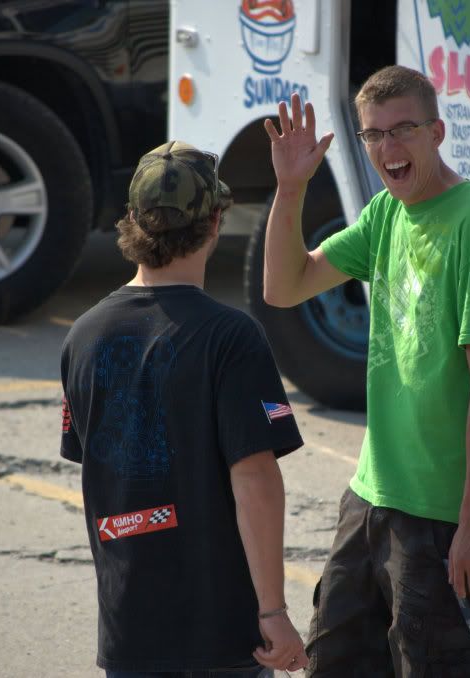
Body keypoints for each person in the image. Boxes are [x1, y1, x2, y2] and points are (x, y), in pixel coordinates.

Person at [262, 65, 470, 676]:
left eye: (403, 130)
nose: (388, 148)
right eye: (373, 135)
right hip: (370, 493)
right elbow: (284, 286)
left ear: (437, 132)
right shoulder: (386, 214)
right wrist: (290, 189)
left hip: (438, 510)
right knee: (334, 659)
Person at [60, 140, 309, 677]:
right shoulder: (231, 336)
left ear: (132, 219)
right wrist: (273, 611)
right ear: (216, 222)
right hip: (217, 632)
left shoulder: (82, 336)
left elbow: (101, 468)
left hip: (129, 629)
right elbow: (255, 478)